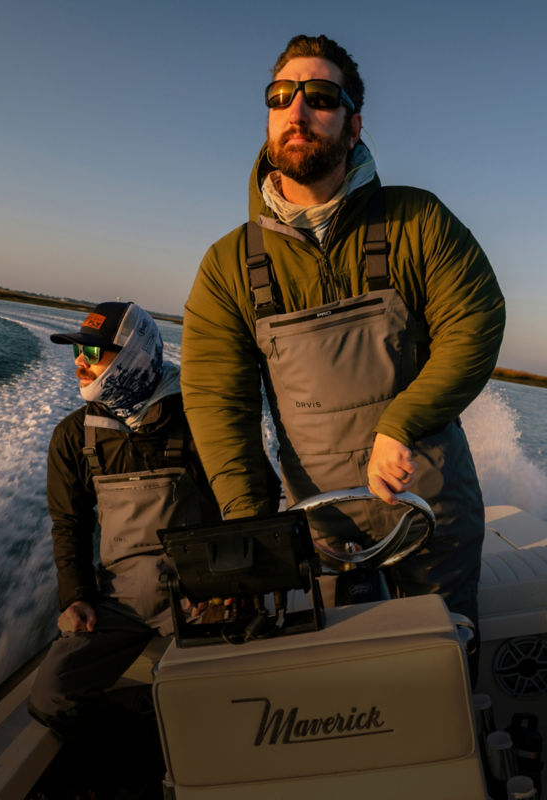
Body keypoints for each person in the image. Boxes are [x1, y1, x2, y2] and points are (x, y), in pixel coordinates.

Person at [181, 35, 505, 638]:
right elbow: (219, 404)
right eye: (281, 97)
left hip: (435, 514)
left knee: (444, 666)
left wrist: (399, 423)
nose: (297, 111)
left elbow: (476, 322)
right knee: (344, 690)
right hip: (321, 534)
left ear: (354, 126)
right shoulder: (228, 264)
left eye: (320, 96)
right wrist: (252, 531)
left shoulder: (419, 219)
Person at [29, 301, 220, 799]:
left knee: (221, 695)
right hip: (119, 600)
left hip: (197, 593)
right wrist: (75, 595)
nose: (79, 362)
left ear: (133, 354)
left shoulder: (200, 420)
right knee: (51, 695)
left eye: (91, 350)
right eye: (76, 351)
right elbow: (68, 523)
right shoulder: (73, 437)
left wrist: (222, 590)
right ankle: (138, 763)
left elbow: (242, 504)